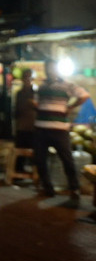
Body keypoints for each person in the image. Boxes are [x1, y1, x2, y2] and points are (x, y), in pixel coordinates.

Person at [33, 59, 90, 200]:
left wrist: (70, 107)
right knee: (40, 160)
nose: (49, 70)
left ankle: (74, 188)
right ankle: (48, 188)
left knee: (67, 160)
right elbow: (36, 101)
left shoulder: (67, 85)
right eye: (47, 68)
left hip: (60, 130)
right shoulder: (41, 86)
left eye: (52, 68)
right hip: (41, 128)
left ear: (56, 70)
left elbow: (84, 95)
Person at [13, 68, 37, 175]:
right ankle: (19, 170)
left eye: (29, 77)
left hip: (33, 126)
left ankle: (35, 171)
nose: (27, 79)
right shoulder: (19, 93)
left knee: (34, 150)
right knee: (20, 150)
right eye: (25, 77)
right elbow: (16, 110)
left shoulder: (36, 93)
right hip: (21, 126)